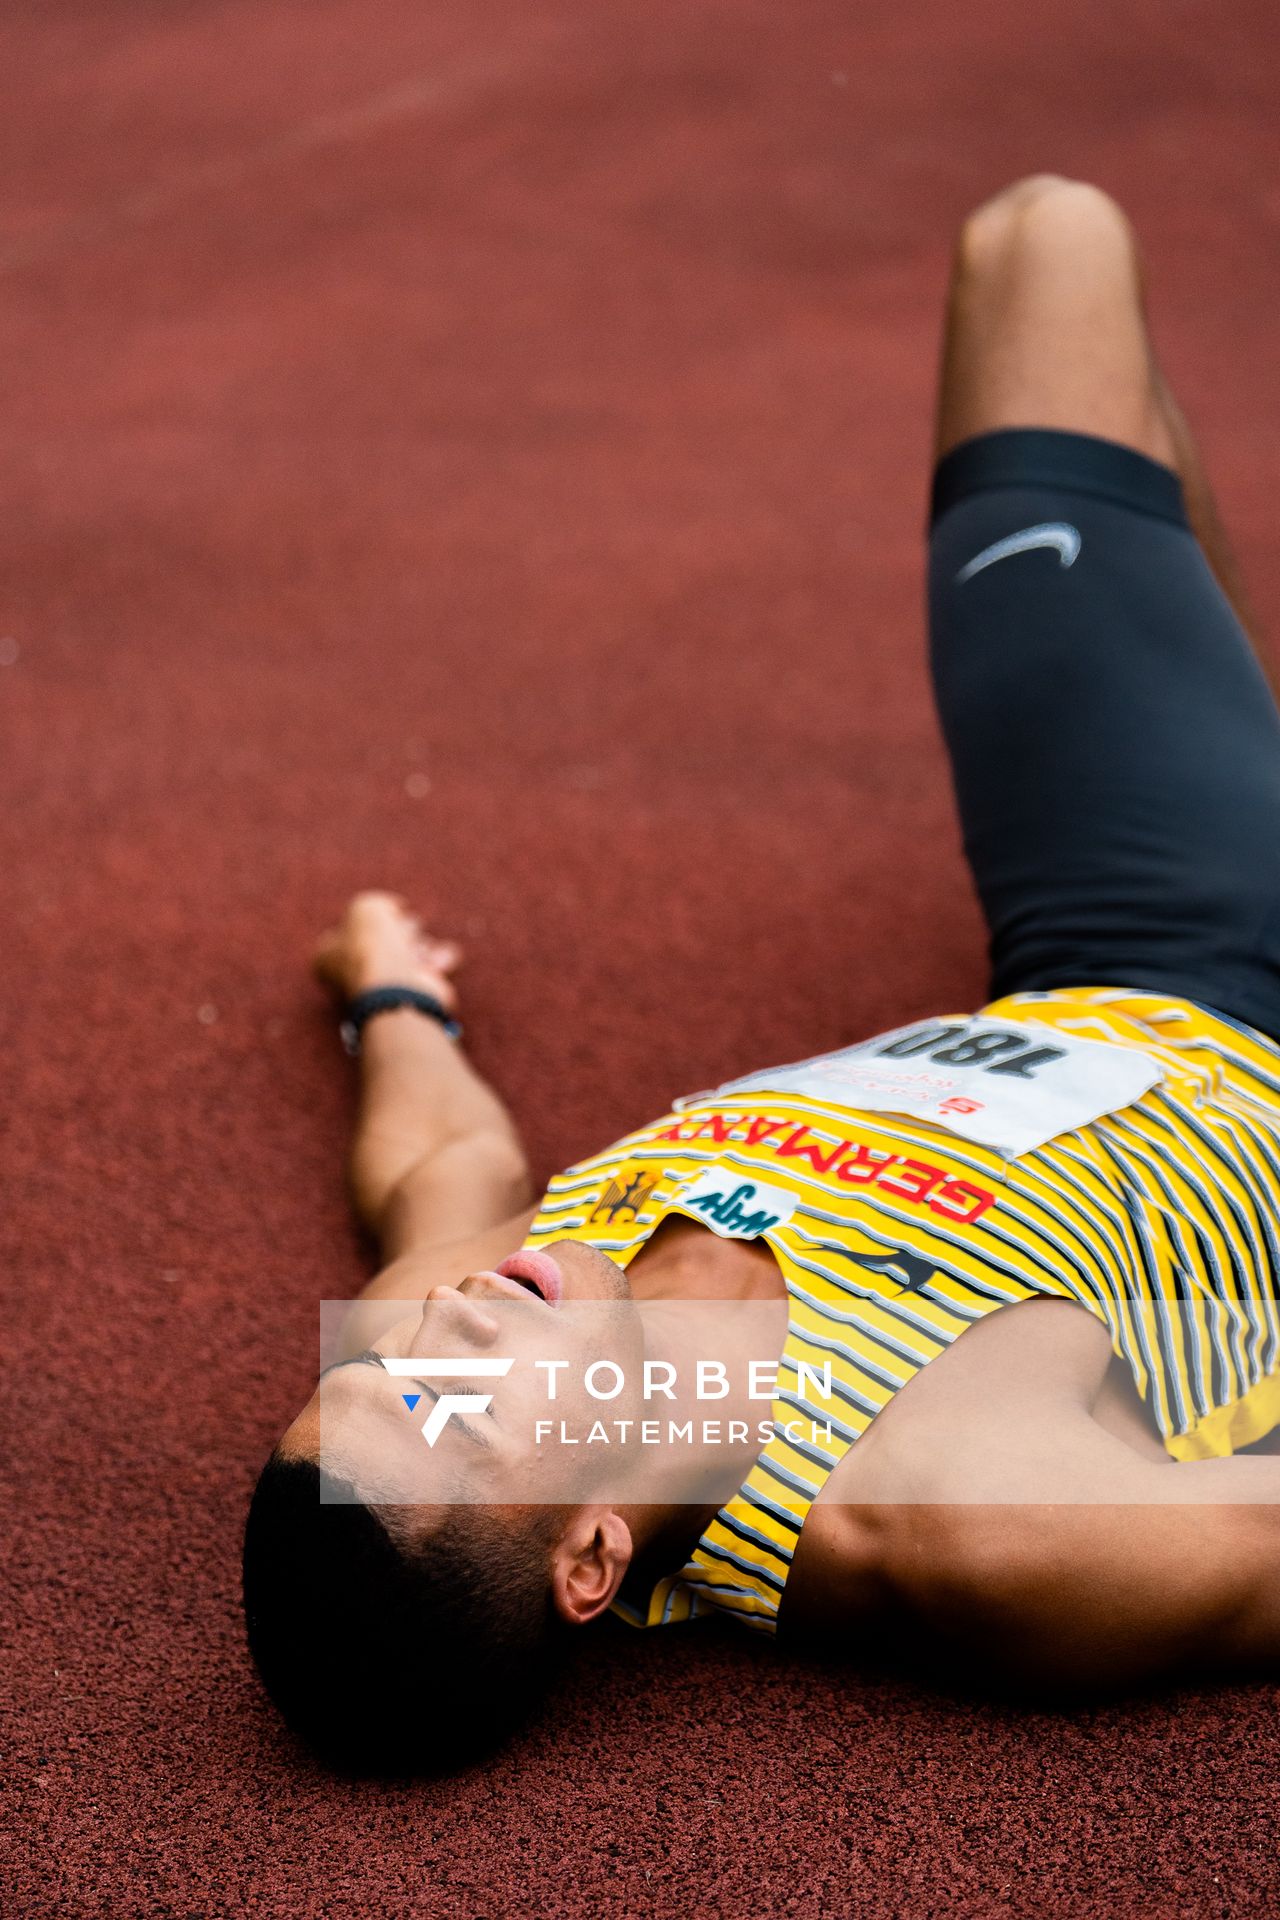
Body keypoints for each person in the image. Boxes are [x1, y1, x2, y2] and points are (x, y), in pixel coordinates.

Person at [243, 176, 1280, 1773]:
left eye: (372, 1367)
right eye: (447, 1410)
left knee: (1039, 246)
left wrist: (393, 995)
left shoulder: (480, 1304)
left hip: (1116, 947)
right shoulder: (956, 1506)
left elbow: (443, 1168)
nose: (431, 1336)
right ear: (590, 1559)